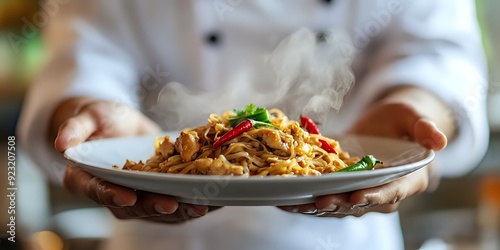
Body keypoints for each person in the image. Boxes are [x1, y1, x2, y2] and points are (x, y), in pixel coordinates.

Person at [17, 0, 489, 249]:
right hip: (165, 240)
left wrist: (417, 104)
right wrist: (85, 108)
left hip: (343, 237)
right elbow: (84, 46)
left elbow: (436, 47)